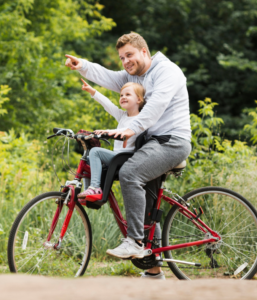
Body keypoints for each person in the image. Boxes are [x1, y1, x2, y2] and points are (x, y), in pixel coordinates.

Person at [65, 32, 191, 280]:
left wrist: (130, 128)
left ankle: (134, 241)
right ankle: (153, 271)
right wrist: (84, 66)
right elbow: (110, 77)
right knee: (147, 205)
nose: (125, 62)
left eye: (129, 55)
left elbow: (155, 107)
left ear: (145, 52)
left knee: (130, 172)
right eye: (122, 58)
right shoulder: (136, 75)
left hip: (172, 141)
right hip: (151, 144)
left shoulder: (168, 72)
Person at [77, 79, 145, 199]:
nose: (123, 97)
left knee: (95, 152)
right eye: (121, 95)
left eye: (128, 94)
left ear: (139, 99)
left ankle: (94, 188)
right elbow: (108, 105)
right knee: (88, 158)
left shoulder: (141, 119)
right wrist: (93, 92)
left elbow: (127, 130)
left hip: (127, 159)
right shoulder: (123, 115)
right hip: (117, 157)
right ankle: (88, 190)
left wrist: (108, 132)